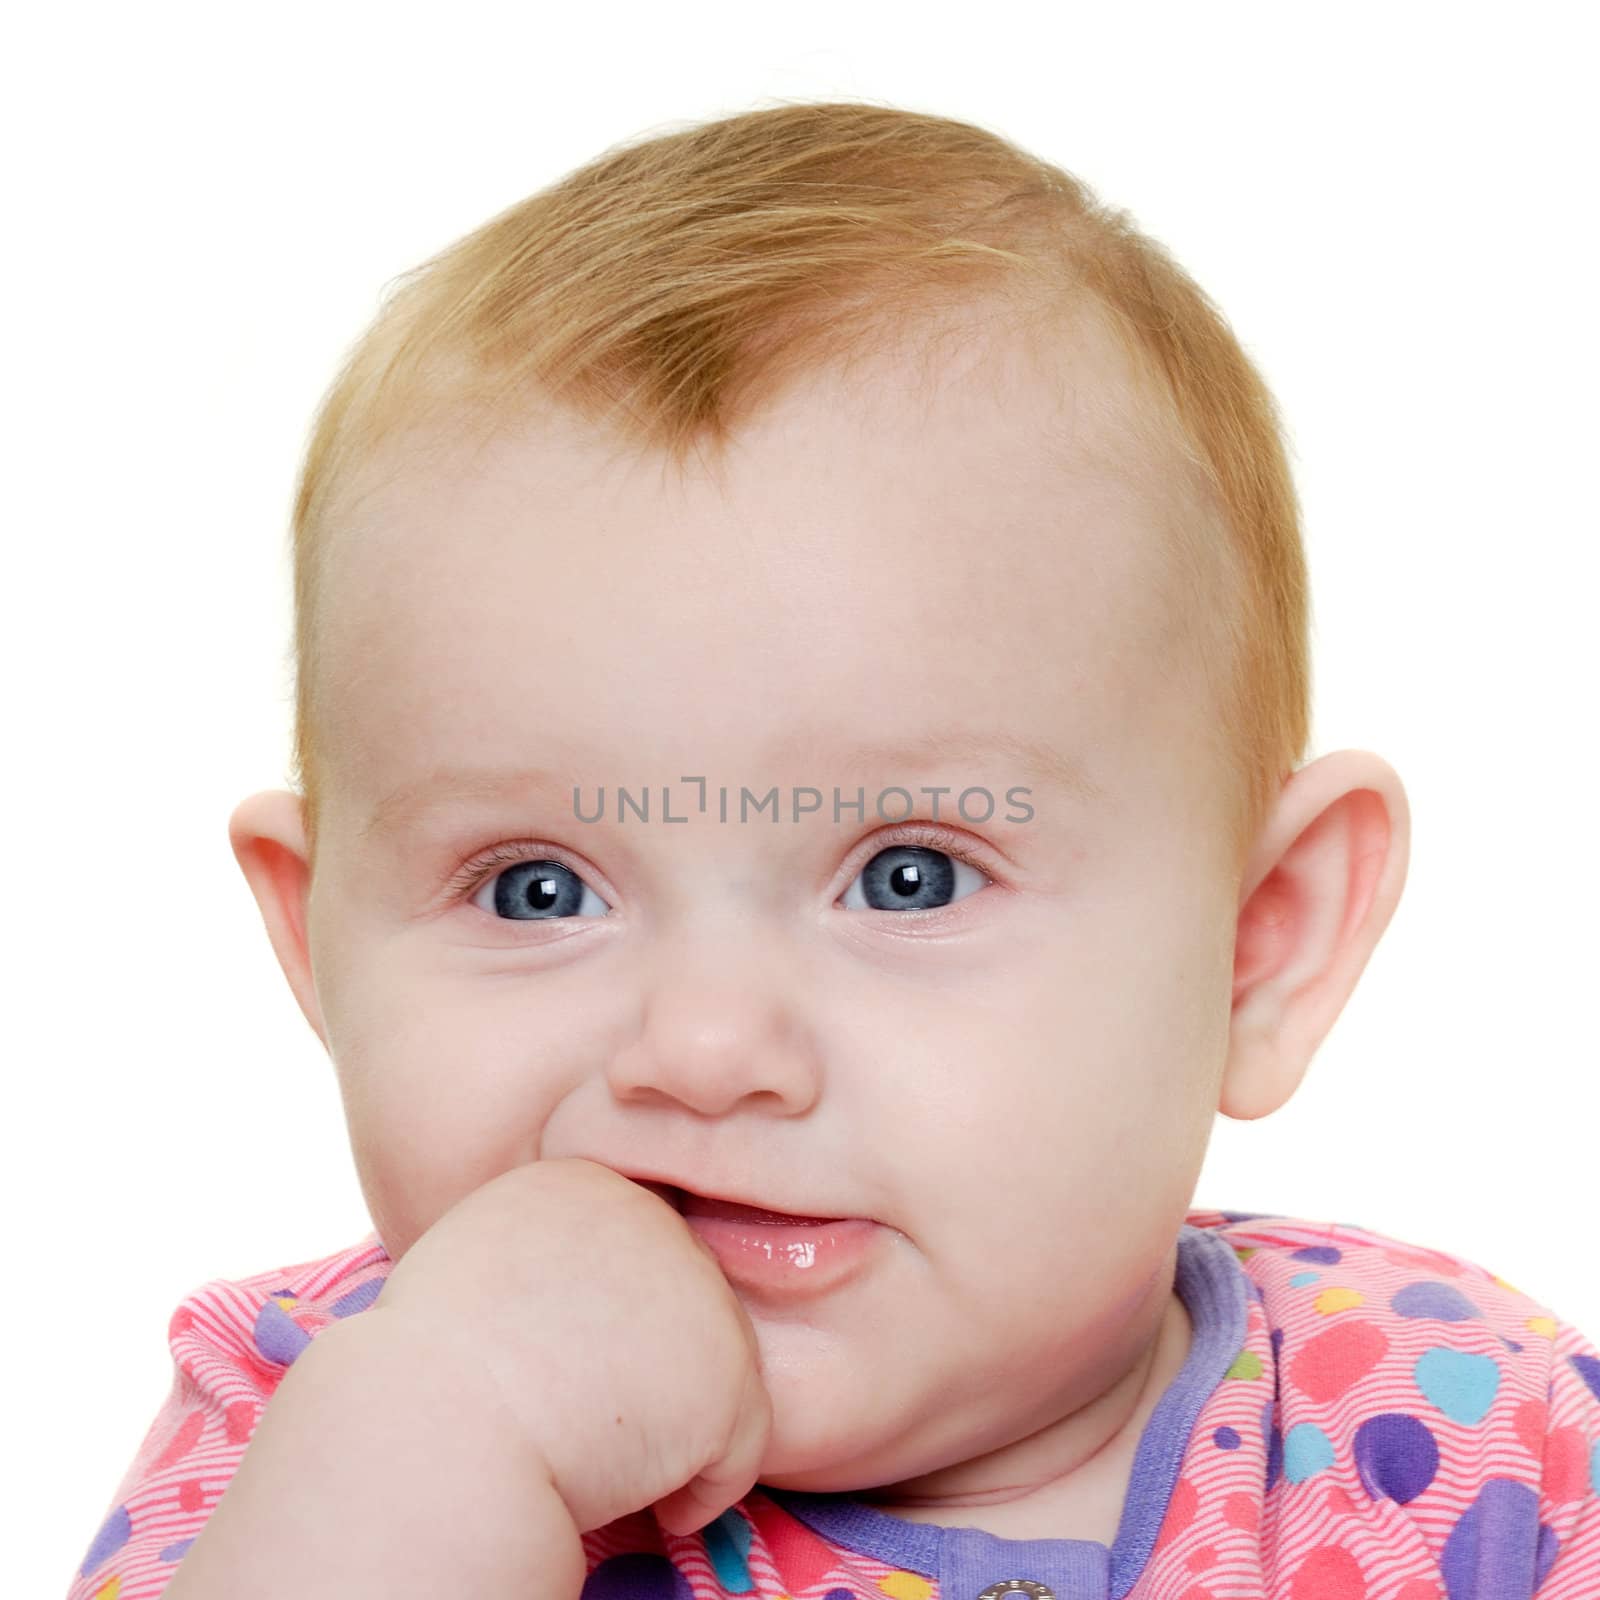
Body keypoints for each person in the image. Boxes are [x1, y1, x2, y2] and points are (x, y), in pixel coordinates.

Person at [66, 99, 1600, 1600]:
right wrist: (441, 1450)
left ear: (1263, 938)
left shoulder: (1484, 1429)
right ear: (315, 940)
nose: (708, 1049)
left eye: (908, 875)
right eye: (536, 889)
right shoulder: (311, 1433)